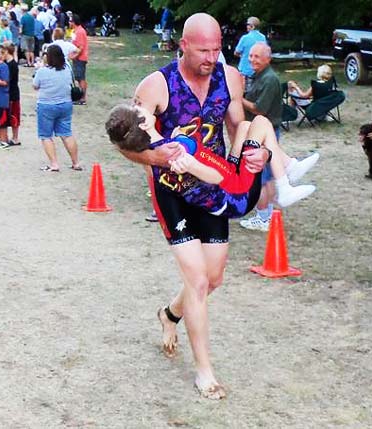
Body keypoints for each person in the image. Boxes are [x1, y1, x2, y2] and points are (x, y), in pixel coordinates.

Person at [125, 13, 269, 400]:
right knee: (198, 281)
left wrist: (253, 156)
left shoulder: (230, 78)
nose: (210, 57)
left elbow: (237, 125)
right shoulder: (156, 85)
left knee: (214, 278)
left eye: (216, 49)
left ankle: (170, 313)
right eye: (203, 50)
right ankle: (204, 371)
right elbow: (125, 141)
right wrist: (157, 160)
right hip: (172, 190)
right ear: (183, 45)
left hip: (211, 185)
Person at [107, 104, 316, 216]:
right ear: (143, 125)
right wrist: (187, 152)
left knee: (244, 126)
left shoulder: (161, 147)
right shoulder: (175, 150)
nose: (140, 105)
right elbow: (208, 172)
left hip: (230, 172)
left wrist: (181, 135)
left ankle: (288, 166)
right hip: (237, 189)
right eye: (137, 109)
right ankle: (284, 185)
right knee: (261, 122)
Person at [240, 42, 319, 232]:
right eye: (251, 56)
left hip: (264, 134)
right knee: (266, 178)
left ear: (268, 58)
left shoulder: (269, 80)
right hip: (262, 133)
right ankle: (290, 168)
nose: (252, 60)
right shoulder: (258, 76)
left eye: (257, 57)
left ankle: (263, 217)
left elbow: (259, 108)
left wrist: (237, 98)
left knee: (261, 180)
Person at [32, 44, 81, 171]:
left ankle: (54, 163)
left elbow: (35, 86)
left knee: (46, 135)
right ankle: (76, 162)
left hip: (46, 105)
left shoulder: (42, 71)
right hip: (65, 104)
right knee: (66, 133)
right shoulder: (67, 68)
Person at [234, 17, 266, 92]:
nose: (246, 26)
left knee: (244, 93)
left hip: (245, 71)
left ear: (253, 26)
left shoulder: (245, 38)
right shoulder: (263, 38)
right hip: (258, 71)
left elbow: (236, 52)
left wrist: (241, 55)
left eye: (248, 24)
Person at [3, 41, 21, 146]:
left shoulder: (12, 65)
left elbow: (8, 80)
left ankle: (15, 137)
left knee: (14, 116)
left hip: (13, 94)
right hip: (8, 93)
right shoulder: (7, 64)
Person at [69, 14, 88, 105]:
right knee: (78, 77)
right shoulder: (75, 31)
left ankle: (82, 98)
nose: (69, 23)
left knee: (81, 78)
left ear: (74, 22)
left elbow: (80, 47)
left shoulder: (80, 32)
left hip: (80, 59)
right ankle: (80, 97)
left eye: (70, 21)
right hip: (77, 58)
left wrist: (74, 56)